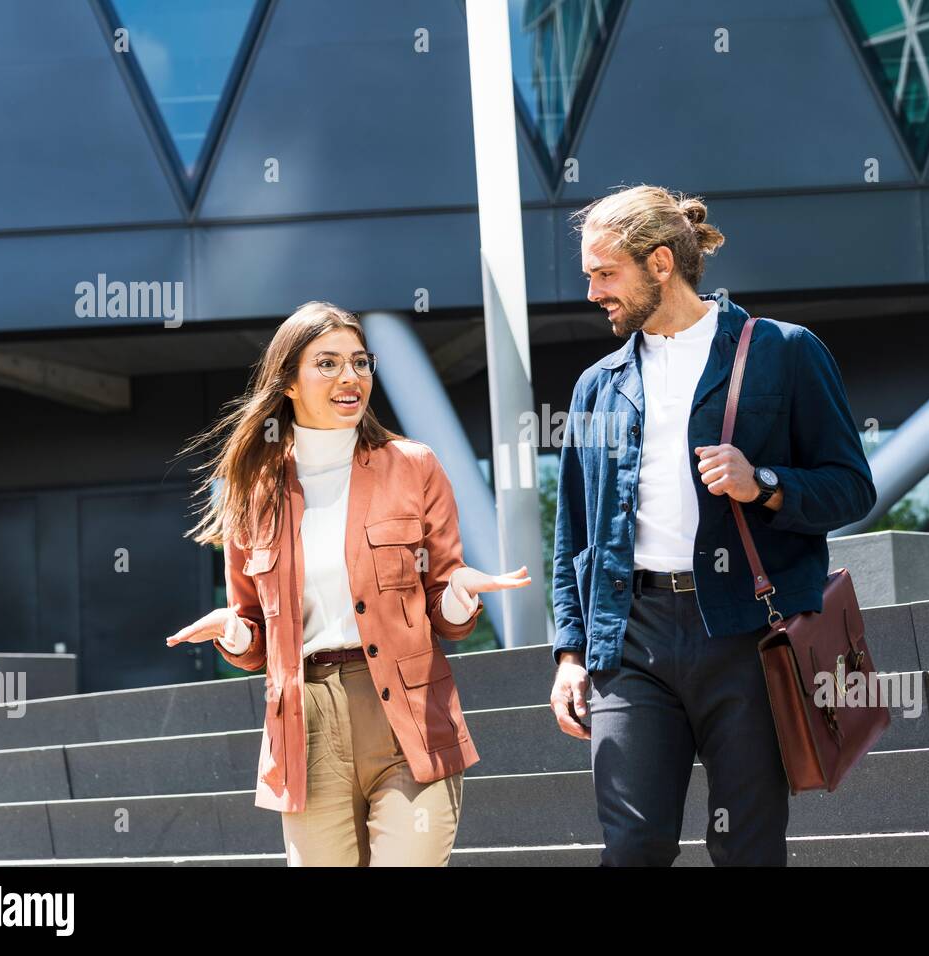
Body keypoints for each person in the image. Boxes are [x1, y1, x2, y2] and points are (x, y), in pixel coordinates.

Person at [549, 185, 877, 866]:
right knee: (633, 846)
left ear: (661, 262)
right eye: (590, 276)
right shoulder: (597, 387)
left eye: (605, 274)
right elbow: (574, 536)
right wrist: (570, 653)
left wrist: (764, 485)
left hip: (745, 635)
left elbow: (851, 487)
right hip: (631, 638)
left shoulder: (783, 352)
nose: (593, 293)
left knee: (746, 846)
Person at [167, 300, 529, 866]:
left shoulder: (413, 465)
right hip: (304, 728)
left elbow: (443, 607)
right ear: (288, 382)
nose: (350, 377)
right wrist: (232, 634)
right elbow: (253, 631)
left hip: (406, 715)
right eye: (328, 363)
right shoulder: (253, 489)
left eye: (360, 363)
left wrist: (458, 594)